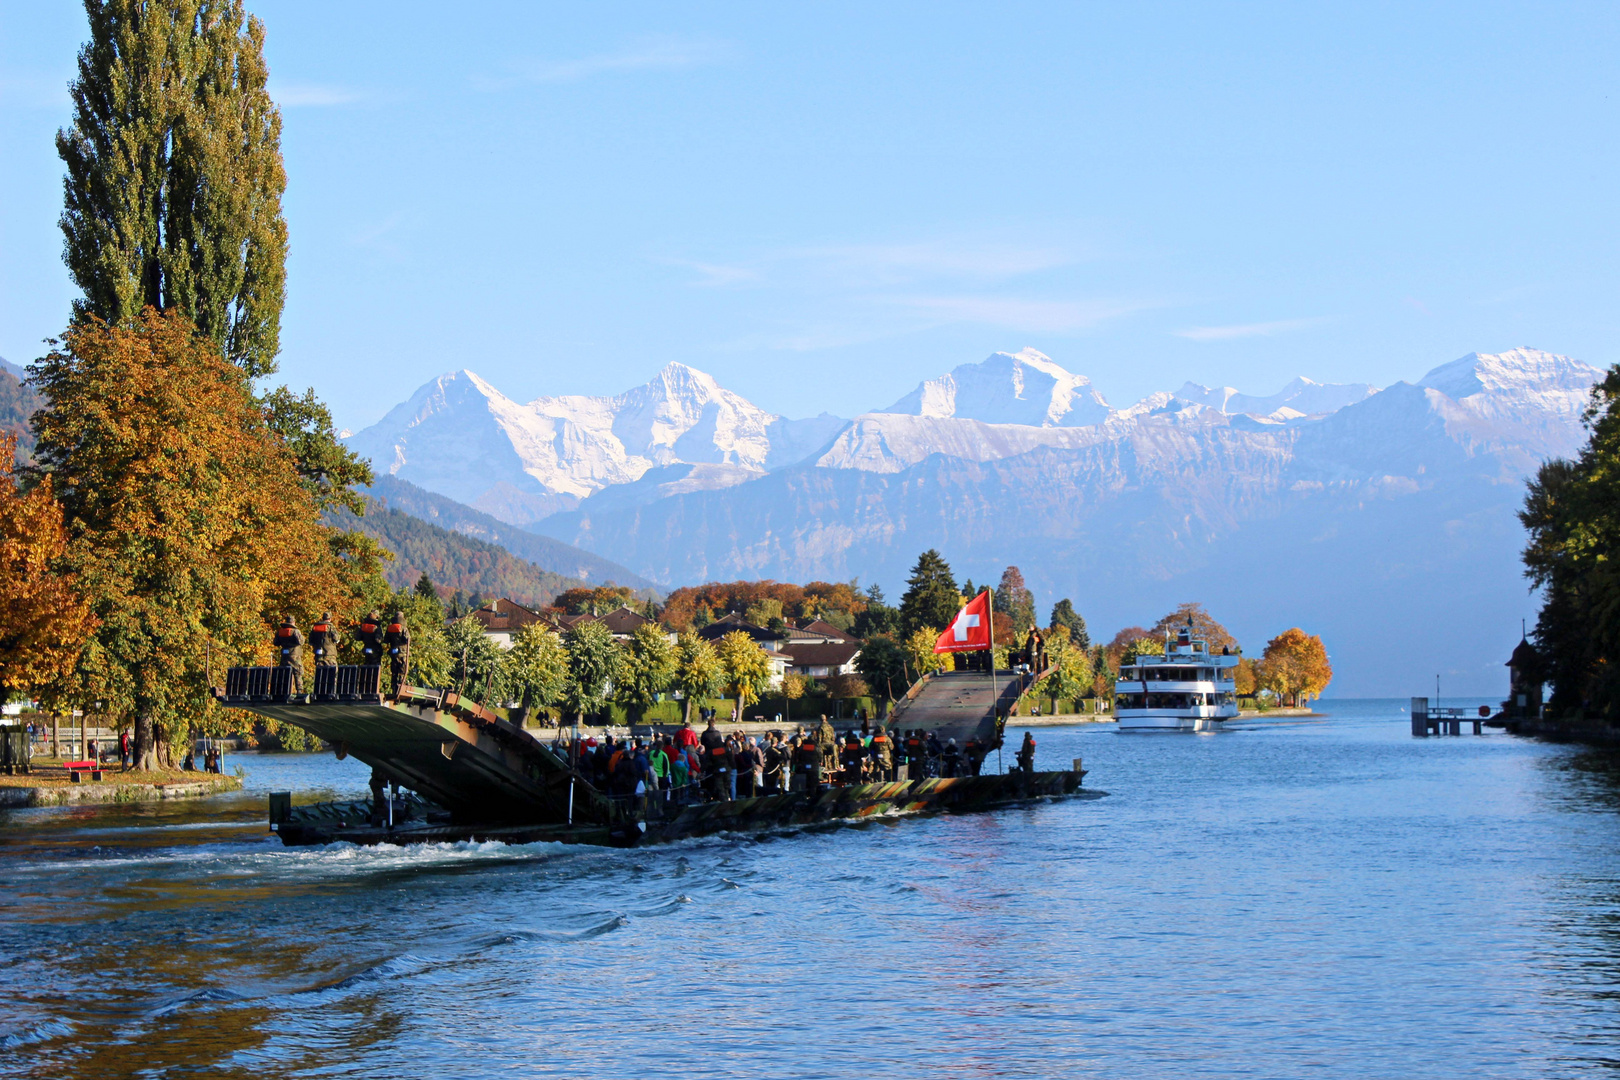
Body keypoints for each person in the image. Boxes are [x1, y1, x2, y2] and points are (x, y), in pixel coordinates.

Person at [274, 615, 304, 692]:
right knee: (298, 672)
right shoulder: (295, 631)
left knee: (284, 672)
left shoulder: (280, 631)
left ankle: (283, 691)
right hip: (294, 655)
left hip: (284, 655)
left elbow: (276, 643)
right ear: (293, 622)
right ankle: (299, 690)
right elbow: (301, 642)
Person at [383, 612, 411, 692]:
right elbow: (407, 639)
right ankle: (401, 688)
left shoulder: (390, 628)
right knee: (402, 671)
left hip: (394, 653)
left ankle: (393, 688)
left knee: (394, 672)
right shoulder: (403, 628)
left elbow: (386, 640)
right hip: (402, 653)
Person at [706, 736, 734, 801]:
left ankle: (723, 799)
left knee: (720, 787)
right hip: (726, 769)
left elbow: (708, 763)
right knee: (727, 786)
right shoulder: (726, 750)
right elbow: (731, 760)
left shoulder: (712, 751)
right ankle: (727, 798)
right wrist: (732, 767)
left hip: (717, 771)